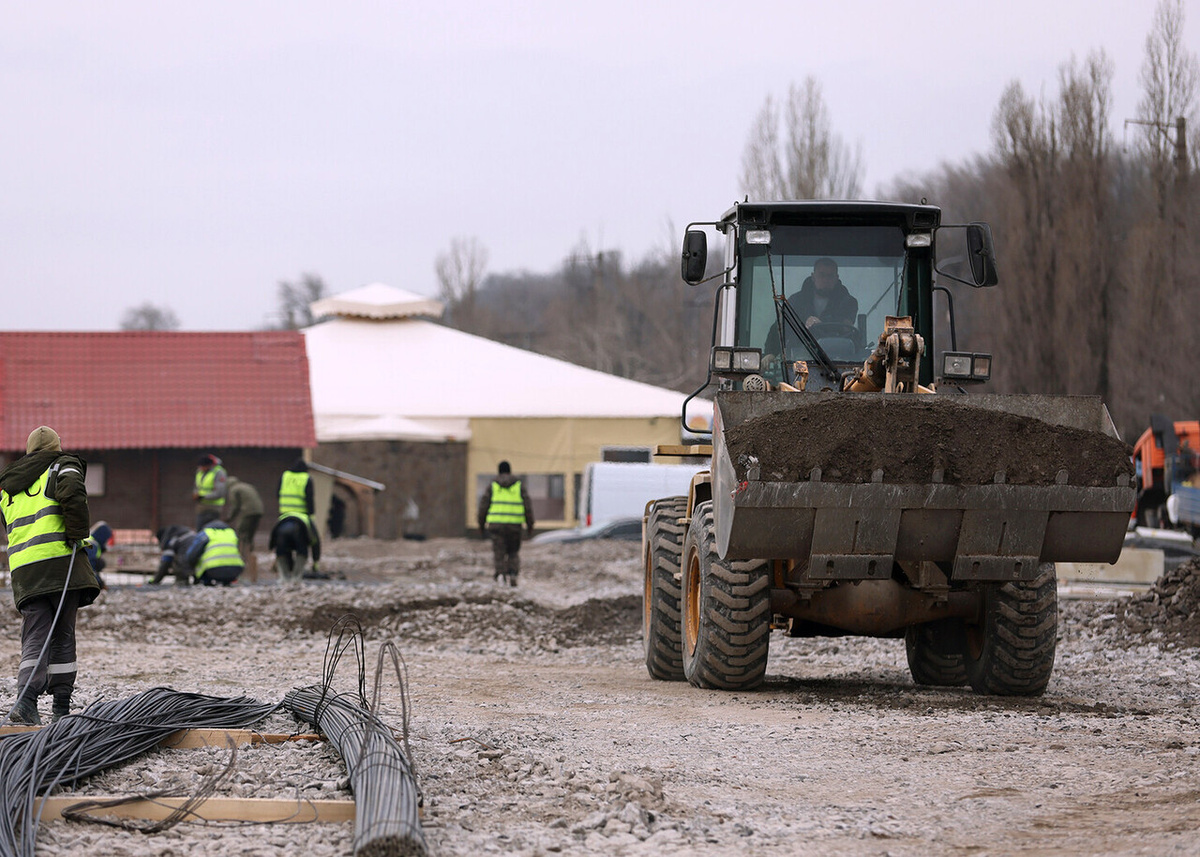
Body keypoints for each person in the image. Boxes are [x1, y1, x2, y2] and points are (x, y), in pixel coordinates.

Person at [0, 426, 102, 725]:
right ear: (57, 446)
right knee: (63, 636)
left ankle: (26, 703)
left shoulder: (8, 485)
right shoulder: (62, 465)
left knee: (34, 636)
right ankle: (60, 707)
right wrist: (77, 533)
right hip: (60, 564)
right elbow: (73, 492)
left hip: (24, 571)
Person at [764, 257, 860, 350]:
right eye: (822, 275)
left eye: (830, 276)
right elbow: (781, 326)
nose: (826, 280)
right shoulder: (796, 301)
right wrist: (770, 353)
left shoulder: (848, 303)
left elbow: (844, 327)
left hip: (838, 359)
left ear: (836, 278)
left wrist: (819, 323)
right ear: (813, 277)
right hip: (799, 358)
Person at [477, 461, 534, 586]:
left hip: (496, 526)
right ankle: (513, 574)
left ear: (498, 471)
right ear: (510, 471)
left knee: (499, 552)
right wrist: (530, 525)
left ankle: (500, 576)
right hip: (515, 526)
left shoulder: (493, 486)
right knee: (513, 551)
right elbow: (527, 506)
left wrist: (481, 525)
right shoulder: (518, 486)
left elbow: (483, 506)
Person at [152, 521, 244, 586]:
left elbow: (190, 556)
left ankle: (184, 582)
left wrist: (155, 581)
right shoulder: (231, 533)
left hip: (213, 571)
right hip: (236, 572)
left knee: (192, 559)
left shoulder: (206, 533)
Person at [276, 458, 322, 576]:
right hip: (302, 515)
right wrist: (311, 515)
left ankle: (283, 571)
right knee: (315, 539)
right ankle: (316, 563)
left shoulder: (284, 476)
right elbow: (309, 499)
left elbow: (277, 493)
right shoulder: (306, 478)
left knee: (277, 540)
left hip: (284, 514)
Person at [224, 476, 263, 583]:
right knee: (249, 535)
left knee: (240, 534)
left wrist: (229, 518)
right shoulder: (247, 486)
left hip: (247, 512)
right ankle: (250, 549)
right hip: (258, 511)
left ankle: (241, 555)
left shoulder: (234, 489)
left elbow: (235, 506)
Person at [193, 454, 228, 530]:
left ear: (208, 465)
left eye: (202, 466)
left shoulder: (219, 472)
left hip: (213, 507)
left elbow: (219, 492)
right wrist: (196, 494)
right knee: (200, 529)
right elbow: (197, 486)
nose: (200, 468)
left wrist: (203, 496)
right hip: (201, 506)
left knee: (211, 529)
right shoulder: (199, 472)